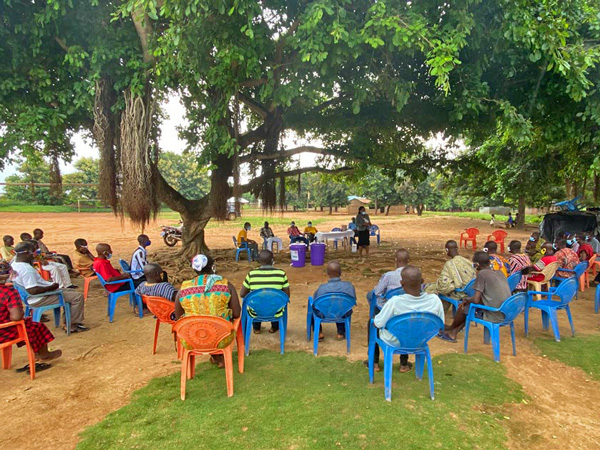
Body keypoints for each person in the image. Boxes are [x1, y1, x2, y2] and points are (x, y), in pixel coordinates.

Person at [374, 266, 445, 372]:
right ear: (422, 281)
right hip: (421, 339)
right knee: (408, 328)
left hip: (395, 341)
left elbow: (377, 324)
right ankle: (404, 364)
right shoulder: (435, 300)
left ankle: (374, 362)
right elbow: (440, 324)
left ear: (402, 284)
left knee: (373, 324)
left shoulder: (395, 302)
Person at [175, 254, 241, 368]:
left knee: (203, 325)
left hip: (191, 339)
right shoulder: (225, 285)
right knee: (215, 324)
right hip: (222, 338)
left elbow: (178, 317)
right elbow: (236, 313)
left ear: (194, 268)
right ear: (212, 266)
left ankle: (217, 357)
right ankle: (219, 356)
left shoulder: (183, 289)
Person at [10, 241, 88, 334]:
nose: (35, 255)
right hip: (38, 298)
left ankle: (69, 320)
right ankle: (71, 325)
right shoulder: (27, 270)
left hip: (28, 297)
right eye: (34, 253)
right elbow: (33, 290)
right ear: (26, 253)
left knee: (70, 291)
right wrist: (51, 287)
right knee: (77, 297)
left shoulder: (14, 263)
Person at [440, 251, 511, 342]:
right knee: (470, 308)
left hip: (494, 314)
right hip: (506, 312)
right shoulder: (499, 273)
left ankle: (452, 330)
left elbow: (476, 299)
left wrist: (467, 299)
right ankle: (453, 331)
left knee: (464, 306)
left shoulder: (482, 274)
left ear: (477, 265)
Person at [365, 248, 410, 372]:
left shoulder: (389, 276)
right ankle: (404, 363)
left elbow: (377, 292)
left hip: (389, 311)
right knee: (405, 325)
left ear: (396, 260)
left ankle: (374, 362)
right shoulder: (413, 275)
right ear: (408, 261)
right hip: (407, 312)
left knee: (372, 322)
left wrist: (383, 306)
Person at [0, 284, 62, 365]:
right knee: (36, 326)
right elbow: (16, 316)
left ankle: (38, 352)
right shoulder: (7, 291)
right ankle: (44, 354)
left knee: (27, 324)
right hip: (4, 332)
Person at [240, 250, 290, 334]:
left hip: (255, 312)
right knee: (274, 302)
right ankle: (274, 327)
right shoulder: (281, 274)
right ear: (272, 260)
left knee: (256, 302)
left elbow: (242, 294)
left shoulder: (251, 274)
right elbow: (286, 295)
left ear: (259, 261)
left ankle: (256, 328)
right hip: (276, 311)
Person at [312, 260, 356, 341]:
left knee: (313, 307)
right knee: (341, 305)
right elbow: (353, 301)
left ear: (328, 273)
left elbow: (315, 302)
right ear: (340, 272)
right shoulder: (349, 286)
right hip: (343, 313)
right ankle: (341, 332)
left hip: (324, 314)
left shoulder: (322, 288)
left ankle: (318, 333)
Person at [425, 240, 476, 309]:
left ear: (447, 250)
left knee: (431, 289)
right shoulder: (467, 261)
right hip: (470, 291)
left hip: (460, 293)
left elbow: (443, 287)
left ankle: (436, 311)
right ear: (457, 249)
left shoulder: (449, 264)